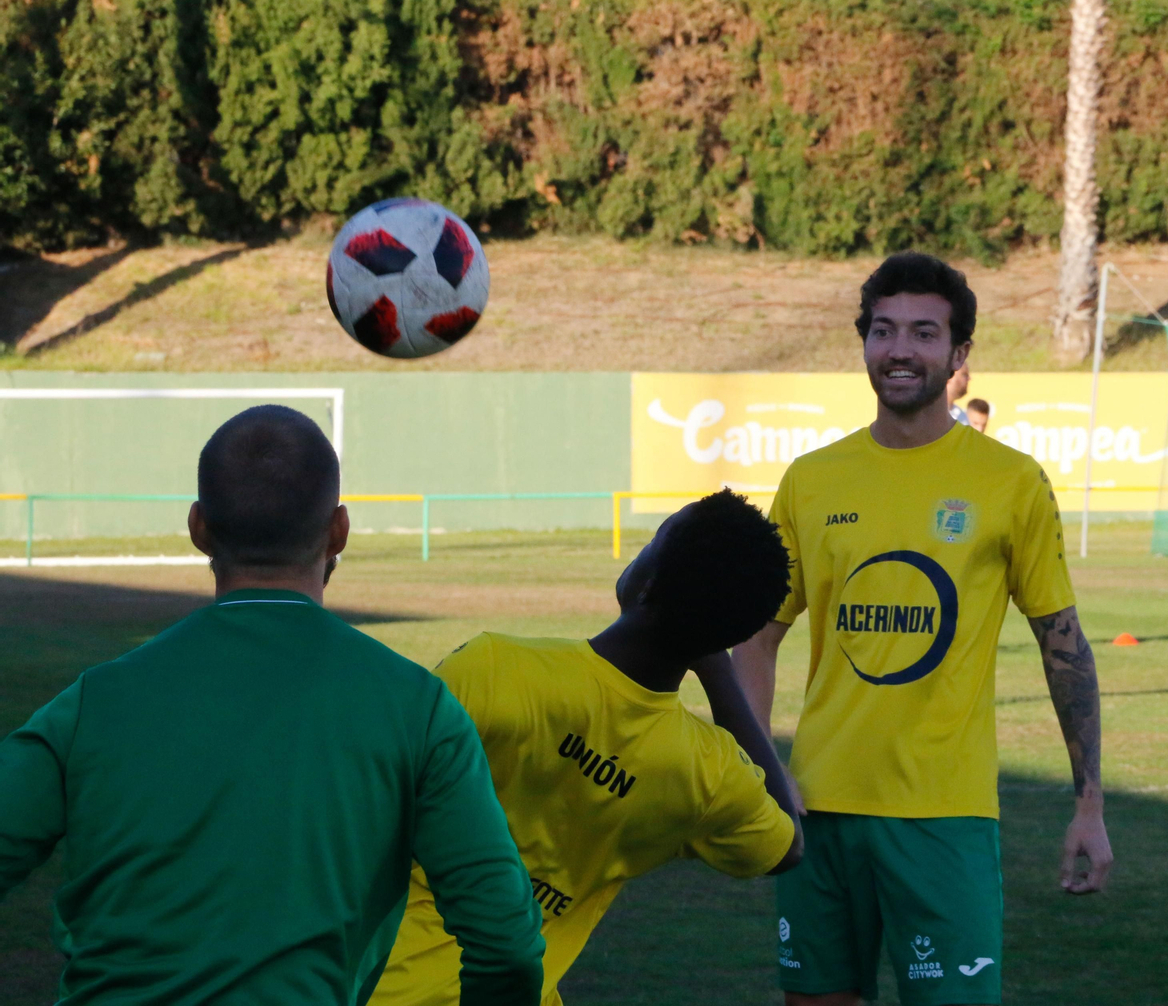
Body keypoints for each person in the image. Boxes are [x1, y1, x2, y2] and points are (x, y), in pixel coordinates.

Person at [0, 405, 544, 1004]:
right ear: (339, 531)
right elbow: (506, 946)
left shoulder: (92, 704)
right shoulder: (418, 709)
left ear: (198, 528)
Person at [732, 252, 1111, 1006]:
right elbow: (759, 636)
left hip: (945, 817)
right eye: (883, 330)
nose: (900, 349)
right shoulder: (811, 479)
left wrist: (1089, 806)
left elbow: (1063, 646)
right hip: (819, 811)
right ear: (865, 343)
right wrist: (762, 769)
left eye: (923, 333)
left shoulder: (1010, 482)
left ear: (959, 353)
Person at [370, 489, 804, 1006]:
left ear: (648, 584)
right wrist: (715, 665)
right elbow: (787, 845)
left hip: (382, 982)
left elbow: (366, 804)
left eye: (655, 539)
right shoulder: (706, 773)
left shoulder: (494, 668)